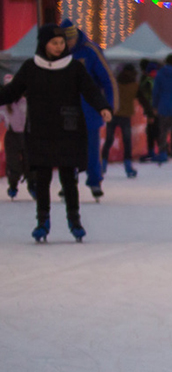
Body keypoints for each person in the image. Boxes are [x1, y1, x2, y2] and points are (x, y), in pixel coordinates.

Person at [0, 24, 112, 242]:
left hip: (68, 128)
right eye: (55, 43)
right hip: (40, 130)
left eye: (62, 43)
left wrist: (103, 107)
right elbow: (11, 92)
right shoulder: (31, 67)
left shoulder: (74, 68)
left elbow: (90, 89)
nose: (60, 47)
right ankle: (43, 221)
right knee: (41, 178)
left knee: (68, 178)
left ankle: (74, 220)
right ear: (44, 44)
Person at [60, 20, 115, 201]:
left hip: (90, 109)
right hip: (66, 110)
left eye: (70, 40)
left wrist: (108, 106)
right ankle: (68, 181)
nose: (68, 44)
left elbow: (107, 79)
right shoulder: (57, 52)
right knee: (67, 148)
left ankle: (94, 181)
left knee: (91, 148)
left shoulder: (90, 51)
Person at [100, 64, 151, 181]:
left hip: (112, 114)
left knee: (108, 140)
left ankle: (102, 165)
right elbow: (143, 100)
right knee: (127, 142)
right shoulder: (134, 86)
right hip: (125, 116)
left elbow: (105, 96)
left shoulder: (115, 84)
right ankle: (128, 167)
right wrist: (150, 113)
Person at [2, 74, 28, 200]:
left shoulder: (25, 101)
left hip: (27, 136)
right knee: (13, 163)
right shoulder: (3, 105)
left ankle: (33, 183)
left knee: (30, 162)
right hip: (12, 136)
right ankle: (13, 184)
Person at [136, 60, 163, 164]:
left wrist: (151, 112)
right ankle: (156, 151)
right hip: (156, 109)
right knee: (154, 130)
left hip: (153, 109)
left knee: (154, 130)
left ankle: (158, 151)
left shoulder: (148, 81)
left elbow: (146, 97)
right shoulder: (156, 79)